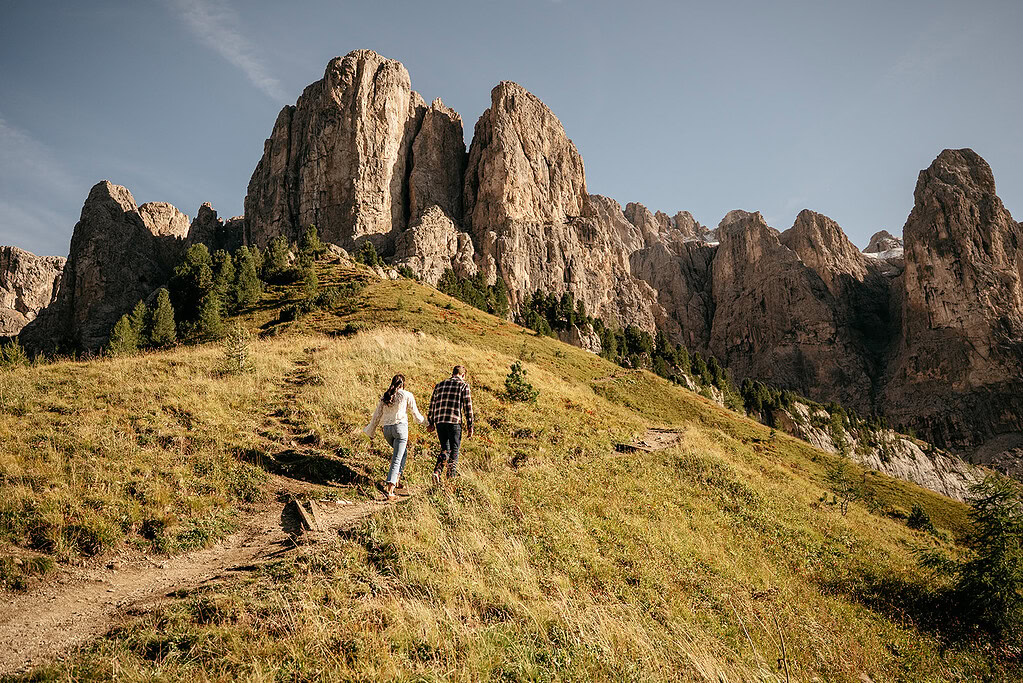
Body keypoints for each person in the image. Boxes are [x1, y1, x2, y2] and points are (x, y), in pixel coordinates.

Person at [364, 374, 428, 501]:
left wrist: (371, 431)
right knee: (397, 458)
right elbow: (416, 415)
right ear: (403, 384)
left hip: (387, 430)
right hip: (400, 428)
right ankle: (390, 490)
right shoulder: (406, 395)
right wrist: (427, 423)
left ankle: (397, 479)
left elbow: (376, 416)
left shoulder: (385, 396)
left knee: (402, 453)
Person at [427, 365, 474, 483]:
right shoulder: (463, 385)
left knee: (445, 449)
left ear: (452, 373)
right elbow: (468, 407)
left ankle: (437, 471)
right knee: (454, 450)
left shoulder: (439, 385)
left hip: (440, 421)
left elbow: (432, 404)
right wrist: (470, 425)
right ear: (463, 375)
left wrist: (431, 421)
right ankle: (450, 479)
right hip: (454, 421)